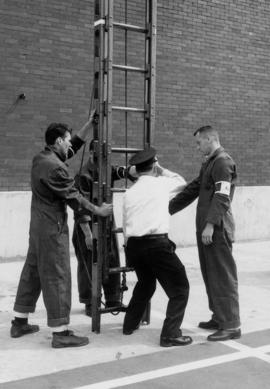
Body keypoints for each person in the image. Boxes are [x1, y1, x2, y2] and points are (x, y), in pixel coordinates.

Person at [11, 114, 113, 348]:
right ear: (58, 141)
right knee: (57, 275)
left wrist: (88, 125)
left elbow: (71, 150)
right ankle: (60, 332)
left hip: (37, 227)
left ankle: (19, 321)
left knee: (33, 271)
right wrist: (98, 210)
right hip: (52, 228)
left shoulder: (42, 158)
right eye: (66, 140)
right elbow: (74, 197)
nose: (69, 143)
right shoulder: (56, 168)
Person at [169, 125, 241, 341]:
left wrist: (210, 225)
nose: (197, 147)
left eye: (199, 142)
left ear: (211, 139)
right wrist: (166, 209)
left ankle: (231, 325)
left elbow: (222, 196)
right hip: (206, 229)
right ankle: (219, 317)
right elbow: (194, 189)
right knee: (211, 275)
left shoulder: (223, 162)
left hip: (216, 229)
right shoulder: (210, 163)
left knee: (222, 276)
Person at [122, 147, 192, 347]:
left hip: (134, 246)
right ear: (154, 165)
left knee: (146, 284)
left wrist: (128, 250)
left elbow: (126, 224)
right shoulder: (161, 184)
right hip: (156, 244)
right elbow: (182, 182)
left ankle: (129, 324)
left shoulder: (129, 192)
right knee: (180, 289)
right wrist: (161, 170)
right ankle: (170, 334)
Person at [72, 141, 135, 316]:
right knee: (89, 264)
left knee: (112, 259)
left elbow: (119, 171)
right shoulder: (83, 175)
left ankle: (113, 298)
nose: (104, 159)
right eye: (100, 155)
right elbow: (79, 207)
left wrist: (133, 170)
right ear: (91, 153)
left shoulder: (106, 169)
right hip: (87, 224)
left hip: (106, 222)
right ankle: (89, 302)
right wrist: (87, 234)